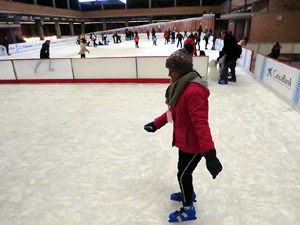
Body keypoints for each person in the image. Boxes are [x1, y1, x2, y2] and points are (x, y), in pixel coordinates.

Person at [144, 43, 222, 223]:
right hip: (184, 141)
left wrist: (210, 154)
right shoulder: (180, 85)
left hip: (194, 145)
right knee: (183, 171)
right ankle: (188, 193)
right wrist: (156, 124)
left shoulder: (193, 91)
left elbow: (201, 123)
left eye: (171, 70)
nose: (169, 74)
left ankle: (188, 209)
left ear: (181, 70)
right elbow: (175, 111)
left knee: (183, 174)